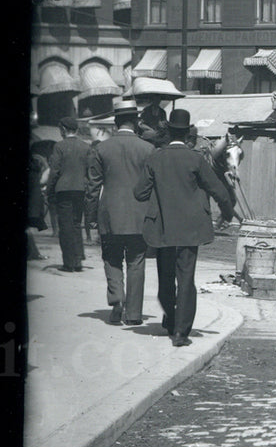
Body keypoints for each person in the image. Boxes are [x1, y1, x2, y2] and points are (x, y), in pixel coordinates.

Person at [133, 108, 233, 347]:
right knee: (186, 279)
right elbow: (219, 190)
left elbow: (139, 193)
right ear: (188, 132)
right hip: (190, 229)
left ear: (168, 131)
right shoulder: (196, 158)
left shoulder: (155, 157)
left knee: (166, 278)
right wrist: (227, 213)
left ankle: (169, 318)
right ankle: (180, 333)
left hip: (162, 228)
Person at [85, 99, 154, 325]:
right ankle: (134, 314)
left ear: (115, 122)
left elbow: (93, 187)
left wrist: (91, 219)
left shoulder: (101, 148)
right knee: (137, 261)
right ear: (136, 122)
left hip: (110, 215)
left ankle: (117, 301)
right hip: (139, 216)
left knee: (111, 258)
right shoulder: (148, 149)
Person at [47, 116, 91, 272]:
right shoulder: (86, 147)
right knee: (76, 224)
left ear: (64, 129)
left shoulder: (59, 146)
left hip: (63, 190)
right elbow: (89, 170)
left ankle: (69, 262)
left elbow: (55, 171)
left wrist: (49, 189)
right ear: (76, 130)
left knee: (65, 226)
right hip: (80, 189)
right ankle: (78, 260)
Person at [211, 130, 244, 231]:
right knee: (225, 199)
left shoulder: (226, 165)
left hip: (224, 172)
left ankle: (221, 221)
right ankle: (224, 220)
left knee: (231, 200)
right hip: (217, 174)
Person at [28, 140, 50, 259]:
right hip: (36, 197)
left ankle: (34, 253)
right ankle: (34, 253)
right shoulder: (38, 161)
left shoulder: (35, 160)